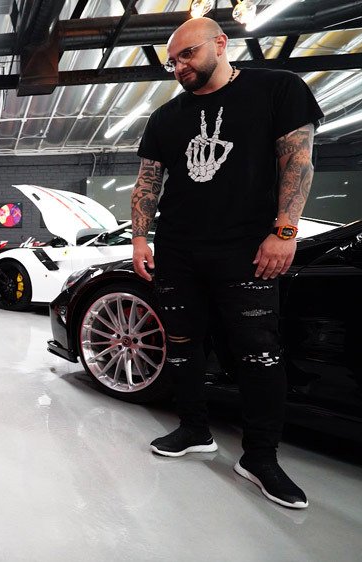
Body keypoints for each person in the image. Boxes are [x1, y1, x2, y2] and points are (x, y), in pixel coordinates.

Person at [130, 17, 322, 510]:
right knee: (182, 345)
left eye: (187, 55)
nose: (179, 67)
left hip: (246, 249)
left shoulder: (277, 89)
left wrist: (284, 231)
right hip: (177, 249)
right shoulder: (165, 118)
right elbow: (148, 182)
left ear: (221, 43)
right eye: (172, 61)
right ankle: (194, 429)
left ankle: (260, 456)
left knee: (258, 349)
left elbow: (297, 162)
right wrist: (139, 238)